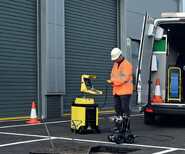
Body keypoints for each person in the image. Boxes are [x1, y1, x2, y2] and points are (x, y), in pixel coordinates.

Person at [109, 47, 133, 131]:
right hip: (116, 91)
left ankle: (126, 127)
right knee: (118, 108)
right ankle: (118, 127)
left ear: (120, 56)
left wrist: (113, 81)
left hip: (125, 91)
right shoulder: (115, 64)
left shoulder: (127, 64)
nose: (115, 60)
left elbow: (124, 78)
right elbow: (112, 74)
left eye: (116, 58)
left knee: (125, 109)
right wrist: (112, 80)